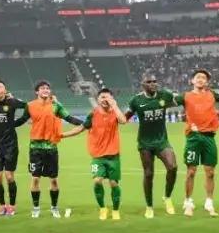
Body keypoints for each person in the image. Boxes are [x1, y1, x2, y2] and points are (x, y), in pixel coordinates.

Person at [65, 89, 127, 220]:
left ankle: (115, 210)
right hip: (98, 157)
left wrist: (114, 105)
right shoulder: (93, 115)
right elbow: (80, 128)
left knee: (113, 184)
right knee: (97, 180)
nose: (105, 100)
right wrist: (62, 135)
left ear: (112, 99)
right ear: (98, 99)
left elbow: (123, 121)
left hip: (113, 156)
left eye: (108, 97)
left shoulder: (115, 113)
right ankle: (103, 208)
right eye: (102, 97)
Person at [24, 81, 83, 219]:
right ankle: (36, 208)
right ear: (37, 92)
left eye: (47, 88)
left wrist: (85, 123)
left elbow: (69, 118)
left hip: (51, 148)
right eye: (42, 88)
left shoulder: (56, 106)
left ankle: (54, 207)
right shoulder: (30, 105)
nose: (45, 90)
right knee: (35, 179)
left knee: (54, 181)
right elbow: (22, 119)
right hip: (35, 148)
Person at [125, 73, 179, 218]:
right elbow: (125, 118)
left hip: (162, 141)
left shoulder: (164, 95)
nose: (153, 84)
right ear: (143, 85)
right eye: (149, 82)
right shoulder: (136, 100)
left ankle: (167, 197)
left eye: (155, 81)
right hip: (145, 143)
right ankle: (149, 206)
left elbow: (177, 101)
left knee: (173, 167)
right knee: (148, 174)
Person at [175, 69, 219, 217]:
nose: (201, 79)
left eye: (204, 78)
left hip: (209, 137)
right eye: (198, 77)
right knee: (191, 171)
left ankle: (209, 202)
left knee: (210, 172)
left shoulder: (213, 95)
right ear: (192, 81)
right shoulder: (185, 96)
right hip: (193, 137)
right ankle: (188, 201)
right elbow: (169, 101)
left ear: (207, 82)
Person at [0, 79, 29, 216]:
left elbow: (29, 107)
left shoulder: (12, 102)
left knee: (9, 177)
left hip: (10, 145)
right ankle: (1, 205)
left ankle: (12, 205)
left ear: (5, 90)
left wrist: (18, 122)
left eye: (0, 87)